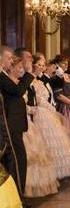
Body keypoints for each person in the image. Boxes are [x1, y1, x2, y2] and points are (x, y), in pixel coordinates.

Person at [14, 57, 59, 197]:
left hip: (28, 121)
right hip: (22, 121)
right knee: (27, 156)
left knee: (36, 156)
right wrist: (29, 109)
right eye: (20, 68)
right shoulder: (17, 85)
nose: (22, 71)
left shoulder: (29, 83)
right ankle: (23, 188)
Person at [0, 46, 35, 198]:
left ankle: (18, 197)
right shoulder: (1, 77)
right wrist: (28, 73)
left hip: (14, 124)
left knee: (18, 160)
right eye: (9, 58)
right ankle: (18, 198)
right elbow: (18, 91)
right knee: (16, 161)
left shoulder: (3, 76)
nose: (11, 61)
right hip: (9, 125)